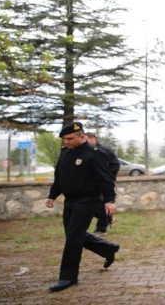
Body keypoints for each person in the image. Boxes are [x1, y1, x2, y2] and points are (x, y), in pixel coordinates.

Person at [45, 122, 120, 292]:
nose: (66, 142)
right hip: (70, 201)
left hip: (87, 200)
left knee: (73, 239)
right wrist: (52, 195)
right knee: (73, 234)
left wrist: (110, 200)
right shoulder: (65, 154)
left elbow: (106, 179)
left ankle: (67, 277)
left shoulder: (94, 154)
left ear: (82, 136)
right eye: (64, 139)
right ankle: (108, 248)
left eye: (70, 138)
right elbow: (59, 178)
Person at [85, 132, 120, 235]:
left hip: (103, 183)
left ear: (93, 139)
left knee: (102, 204)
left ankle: (101, 228)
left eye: (86, 140)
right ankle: (108, 218)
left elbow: (115, 164)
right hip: (92, 184)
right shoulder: (88, 151)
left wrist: (107, 177)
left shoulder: (104, 150)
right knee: (94, 205)